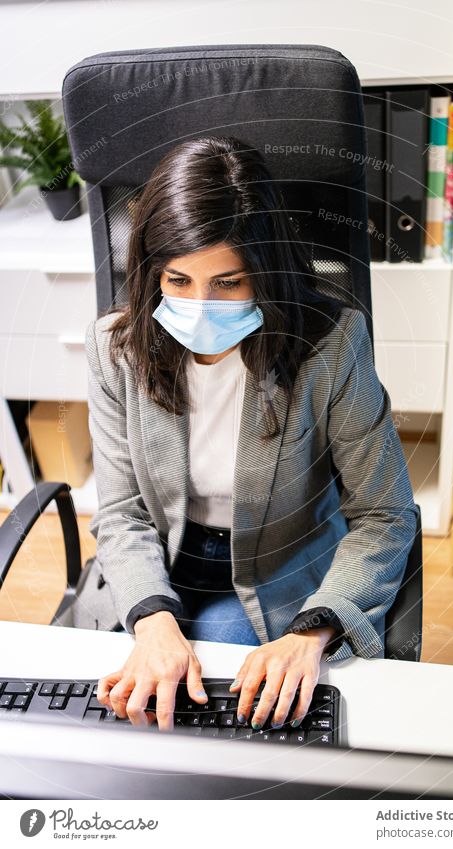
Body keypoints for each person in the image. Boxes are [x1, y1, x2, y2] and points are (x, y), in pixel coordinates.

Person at [89, 135, 417, 733]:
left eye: (229, 282)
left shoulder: (330, 344)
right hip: (169, 555)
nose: (199, 305)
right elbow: (122, 511)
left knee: (216, 679)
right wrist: (153, 619)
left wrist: (313, 631)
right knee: (132, 686)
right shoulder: (118, 348)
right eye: (178, 279)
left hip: (279, 561)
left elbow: (385, 513)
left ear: (264, 270)